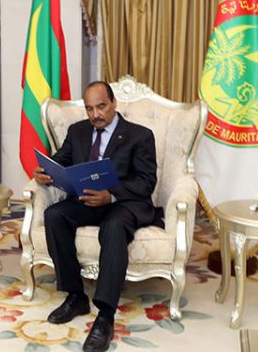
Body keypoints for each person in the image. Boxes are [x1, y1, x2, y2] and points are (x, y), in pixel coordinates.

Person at [33, 81, 158, 352]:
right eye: (89, 109)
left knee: (113, 226)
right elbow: (61, 160)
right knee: (55, 215)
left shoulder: (140, 135)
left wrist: (110, 195)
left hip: (123, 203)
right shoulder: (77, 131)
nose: (95, 114)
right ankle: (76, 296)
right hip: (86, 201)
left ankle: (105, 316)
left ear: (114, 103)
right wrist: (44, 172)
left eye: (101, 107)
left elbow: (146, 182)